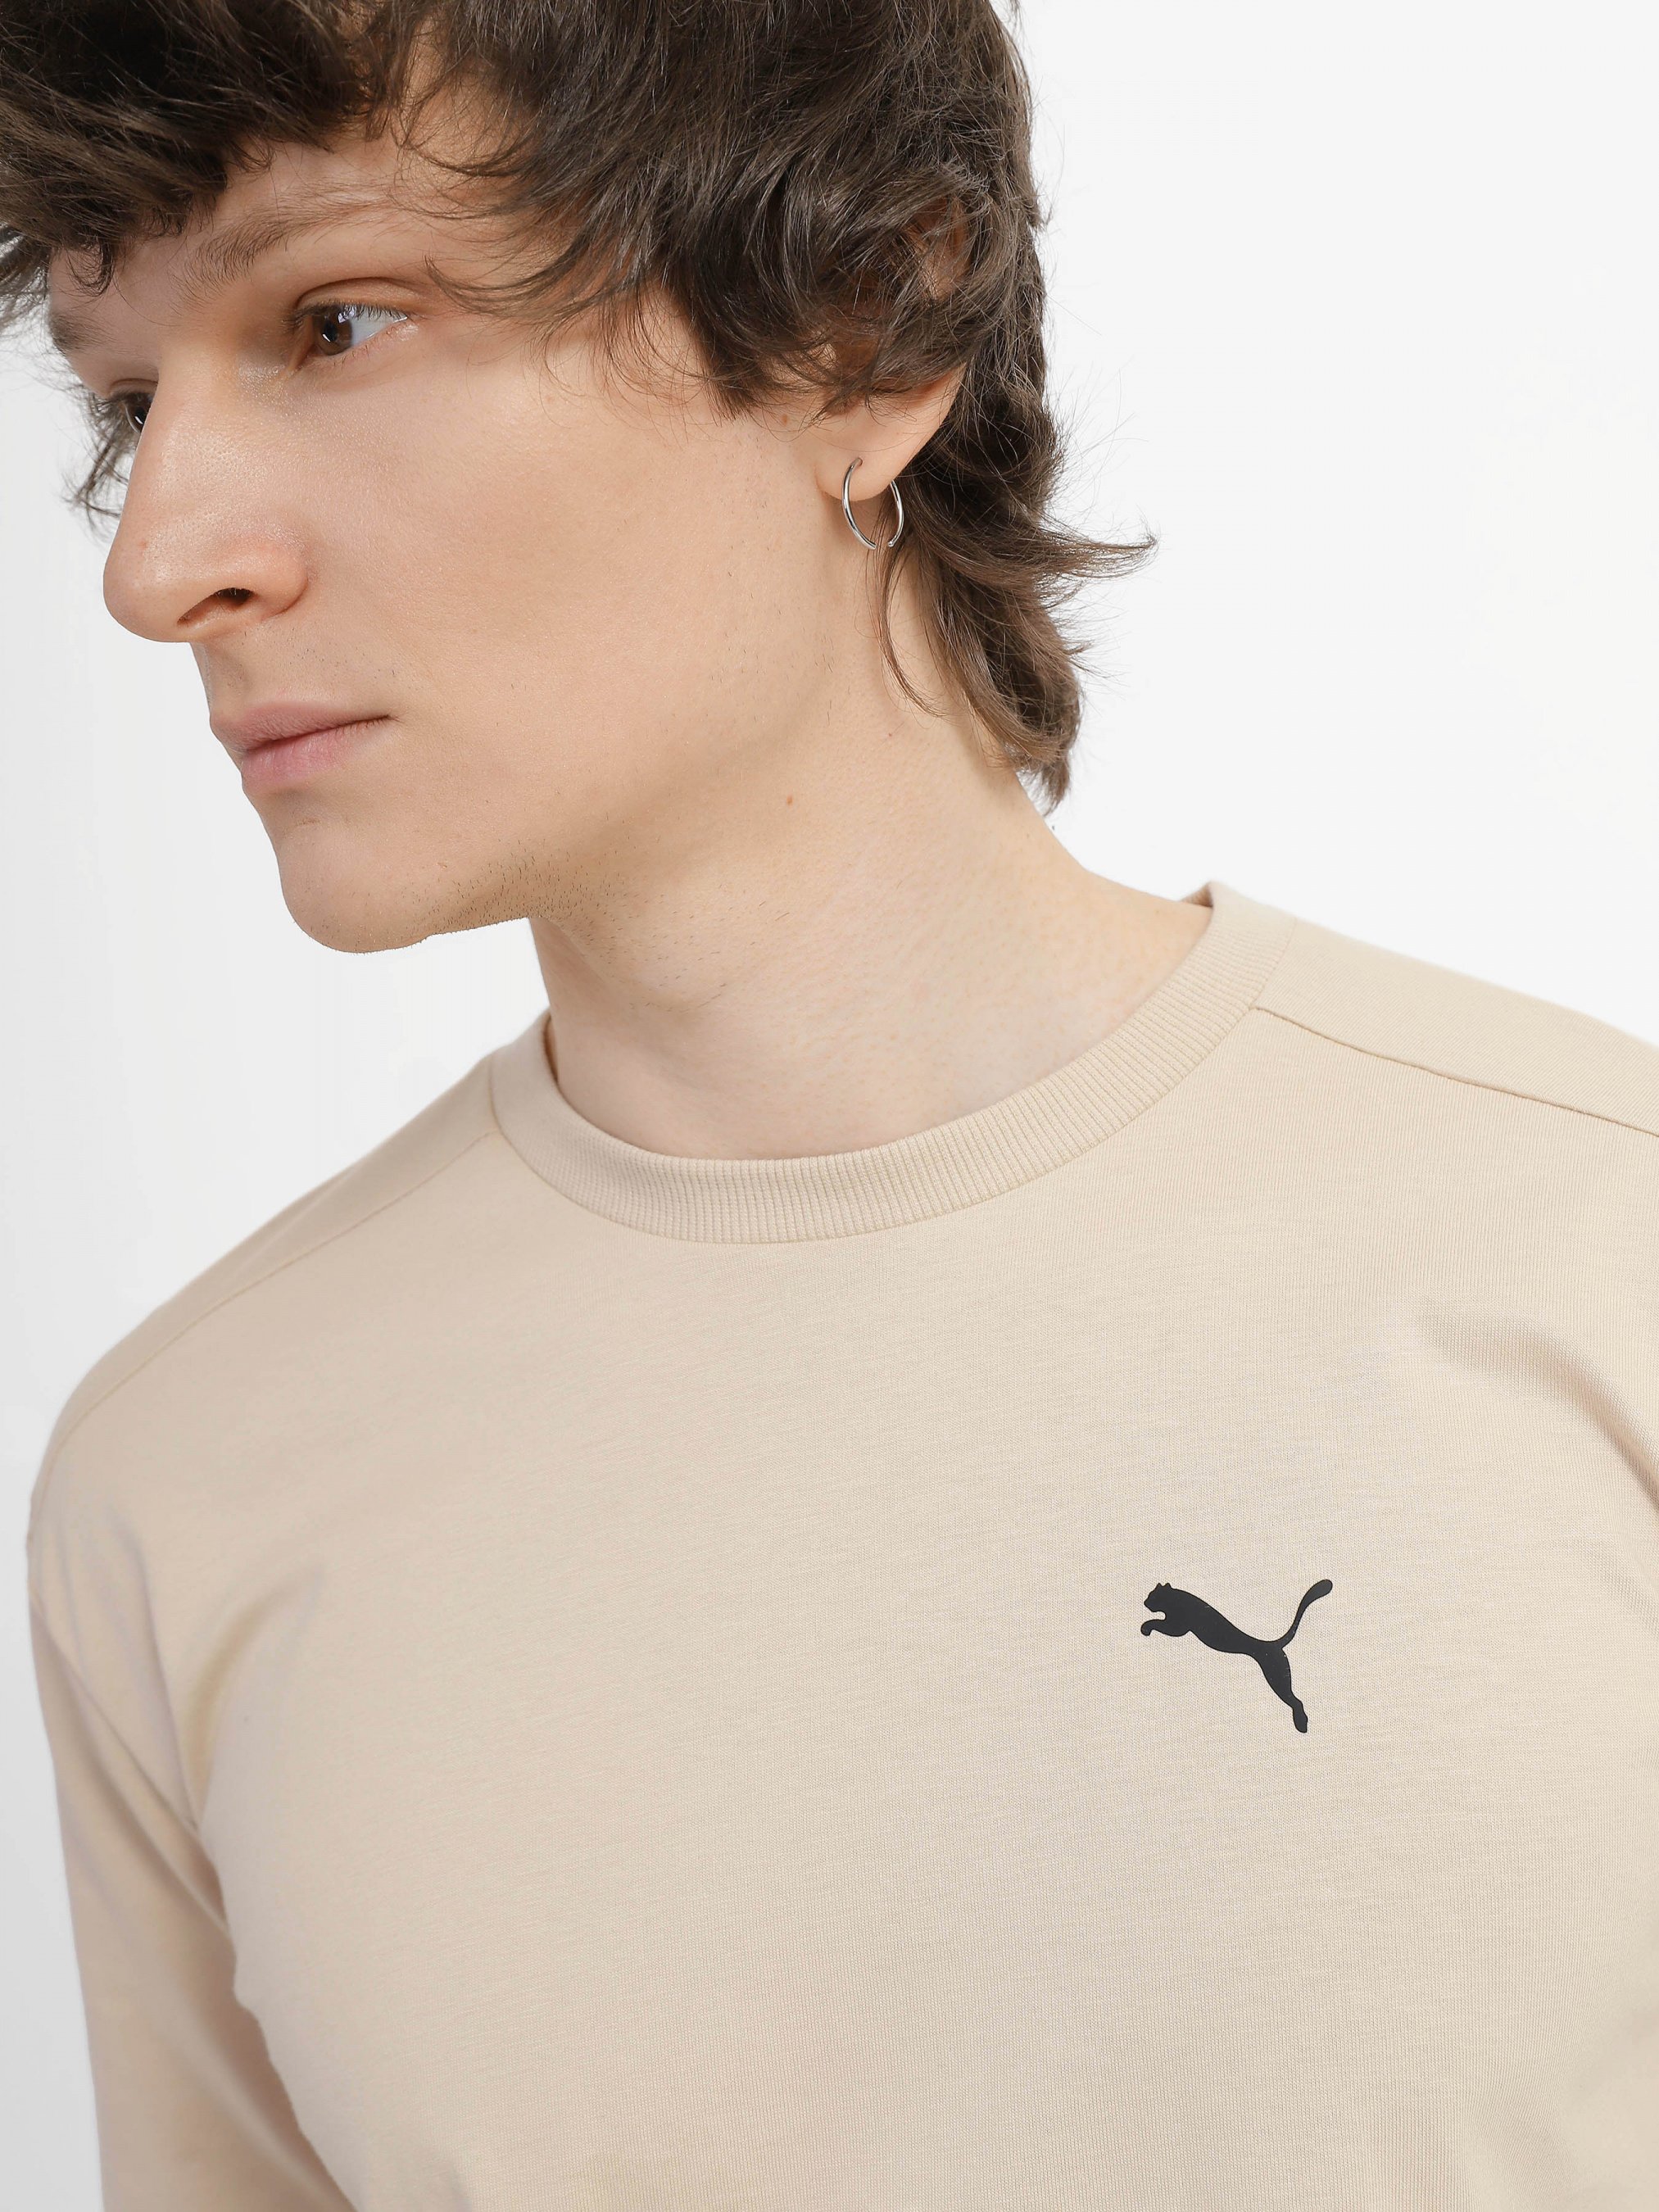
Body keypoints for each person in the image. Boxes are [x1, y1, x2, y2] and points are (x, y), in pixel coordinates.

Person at [7, 4, 1657, 2207]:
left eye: (336, 321)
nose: (155, 567)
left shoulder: (1597, 1250)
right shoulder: (185, 1483)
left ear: (861, 318)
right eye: (129, 405)